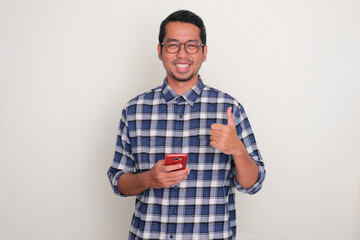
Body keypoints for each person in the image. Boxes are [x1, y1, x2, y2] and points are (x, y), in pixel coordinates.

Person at [107, 9, 266, 240]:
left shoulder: (229, 109)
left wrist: (238, 150)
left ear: (204, 52)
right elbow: (118, 182)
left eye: (192, 45)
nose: (182, 54)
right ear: (160, 51)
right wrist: (148, 178)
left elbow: (253, 184)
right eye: (173, 45)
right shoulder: (134, 110)